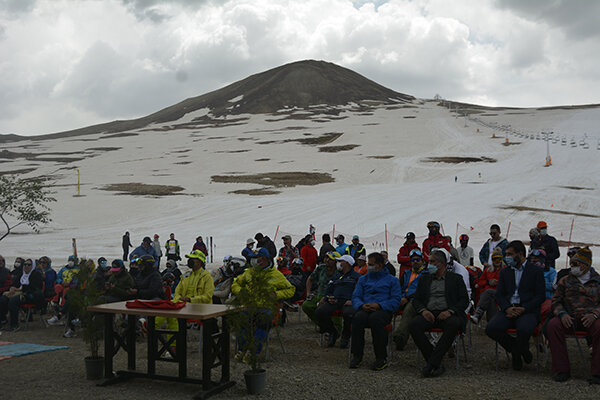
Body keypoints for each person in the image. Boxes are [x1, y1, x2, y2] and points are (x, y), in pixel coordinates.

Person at [485, 240, 545, 371]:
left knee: (524, 329)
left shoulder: (536, 271)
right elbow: (499, 295)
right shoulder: (505, 272)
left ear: (521, 254)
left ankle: (517, 356)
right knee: (491, 328)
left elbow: (540, 296)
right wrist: (507, 308)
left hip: (527, 310)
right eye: (506, 254)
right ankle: (518, 350)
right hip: (509, 309)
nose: (507, 257)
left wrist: (524, 308)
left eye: (510, 254)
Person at [409, 250, 469, 377]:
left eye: (432, 261)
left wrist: (450, 311)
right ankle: (436, 362)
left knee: (454, 324)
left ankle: (431, 363)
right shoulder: (424, 279)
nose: (428, 264)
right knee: (414, 325)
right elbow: (417, 299)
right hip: (429, 313)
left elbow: (464, 300)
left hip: (447, 313)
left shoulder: (456, 279)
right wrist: (423, 311)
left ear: (441, 264)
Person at [547, 247, 600, 383]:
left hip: (591, 318)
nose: (572, 267)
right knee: (553, 326)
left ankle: (597, 373)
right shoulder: (565, 280)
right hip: (570, 317)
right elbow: (556, 301)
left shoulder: (597, 281)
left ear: (586, 265)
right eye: (571, 264)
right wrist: (562, 314)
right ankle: (562, 370)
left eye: (575, 264)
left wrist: (594, 314)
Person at [231, 248, 295, 357]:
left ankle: (253, 352)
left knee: (263, 320)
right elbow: (235, 284)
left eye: (256, 258)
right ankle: (242, 349)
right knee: (240, 318)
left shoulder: (276, 275)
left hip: (267, 308)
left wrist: (276, 294)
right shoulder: (249, 272)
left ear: (264, 259)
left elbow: (291, 290)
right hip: (249, 306)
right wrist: (241, 292)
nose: (253, 261)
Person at [350, 252, 402, 371]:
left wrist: (379, 305)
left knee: (376, 319)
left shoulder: (392, 280)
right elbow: (356, 296)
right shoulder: (363, 279)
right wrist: (362, 305)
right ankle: (357, 356)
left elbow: (395, 300)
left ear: (379, 265)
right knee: (358, 319)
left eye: (371, 264)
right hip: (365, 308)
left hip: (383, 310)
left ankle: (381, 357)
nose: (368, 266)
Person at [156, 250, 214, 350]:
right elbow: (178, 292)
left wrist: (190, 299)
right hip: (183, 306)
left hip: (200, 308)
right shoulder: (186, 275)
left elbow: (207, 297)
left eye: (192, 259)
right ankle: (174, 347)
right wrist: (179, 299)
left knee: (171, 309)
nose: (189, 261)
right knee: (172, 314)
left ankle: (151, 326)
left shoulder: (207, 277)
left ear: (199, 262)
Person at [315, 255, 360, 348]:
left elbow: (359, 291)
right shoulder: (336, 276)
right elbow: (328, 289)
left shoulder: (356, 277)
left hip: (348, 301)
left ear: (347, 263)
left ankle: (346, 336)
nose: (338, 263)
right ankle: (333, 331)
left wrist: (353, 300)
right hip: (334, 301)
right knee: (319, 312)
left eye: (340, 261)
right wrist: (328, 297)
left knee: (348, 313)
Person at [393, 249, 427, 351]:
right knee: (387, 307)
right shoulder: (406, 273)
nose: (415, 262)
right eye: (413, 260)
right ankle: (381, 334)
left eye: (417, 260)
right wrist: (398, 297)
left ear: (422, 261)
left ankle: (400, 337)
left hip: (415, 300)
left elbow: (424, 291)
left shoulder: (427, 274)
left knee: (408, 311)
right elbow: (399, 287)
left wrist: (407, 298)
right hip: (403, 297)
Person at [0, 259, 44, 331]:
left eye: (29, 265)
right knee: (2, 299)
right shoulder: (21, 274)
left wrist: (20, 289)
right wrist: (12, 288)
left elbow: (35, 287)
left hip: (30, 296)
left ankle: (15, 325)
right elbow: (13, 284)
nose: (26, 266)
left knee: (13, 302)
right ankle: (3, 320)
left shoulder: (36, 275)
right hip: (18, 293)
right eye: (25, 264)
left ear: (32, 266)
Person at [303, 251, 339, 326]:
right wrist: (308, 293)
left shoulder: (339, 271)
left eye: (330, 259)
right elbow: (310, 279)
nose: (327, 260)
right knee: (306, 305)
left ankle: (332, 327)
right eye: (326, 258)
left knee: (333, 311)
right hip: (319, 294)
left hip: (332, 297)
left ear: (336, 261)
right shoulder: (321, 267)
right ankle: (322, 324)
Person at [471, 248, 505, 324]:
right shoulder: (488, 270)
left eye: (499, 259)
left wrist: (498, 283)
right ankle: (491, 323)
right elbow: (479, 282)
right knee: (490, 299)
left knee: (489, 292)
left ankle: (478, 314)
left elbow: (509, 283)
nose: (497, 261)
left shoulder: (505, 270)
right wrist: (488, 282)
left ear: (502, 259)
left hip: (500, 293)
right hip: (488, 296)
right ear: (492, 260)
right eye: (495, 259)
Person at [528, 248, 556, 323]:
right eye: (532, 258)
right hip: (531, 298)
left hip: (546, 298)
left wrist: (539, 283)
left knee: (544, 310)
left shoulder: (551, 271)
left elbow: (553, 286)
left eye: (536, 258)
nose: (534, 260)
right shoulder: (528, 271)